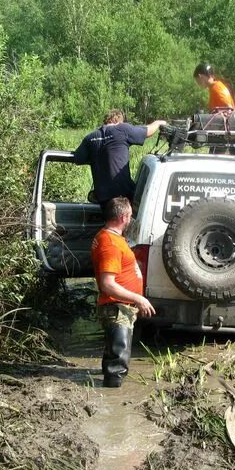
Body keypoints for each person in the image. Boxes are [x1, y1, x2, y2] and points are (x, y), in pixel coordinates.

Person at [91, 196, 155, 388]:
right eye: (130, 216)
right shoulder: (110, 243)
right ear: (124, 217)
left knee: (113, 356)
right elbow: (107, 284)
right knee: (117, 364)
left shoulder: (113, 238)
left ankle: (109, 392)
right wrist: (139, 299)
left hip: (120, 307)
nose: (130, 220)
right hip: (116, 308)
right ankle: (113, 404)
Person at [74, 109, 166, 213]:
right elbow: (148, 131)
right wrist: (158, 123)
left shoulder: (90, 137)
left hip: (103, 197)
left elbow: (78, 159)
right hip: (123, 196)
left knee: (109, 221)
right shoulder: (122, 129)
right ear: (118, 121)